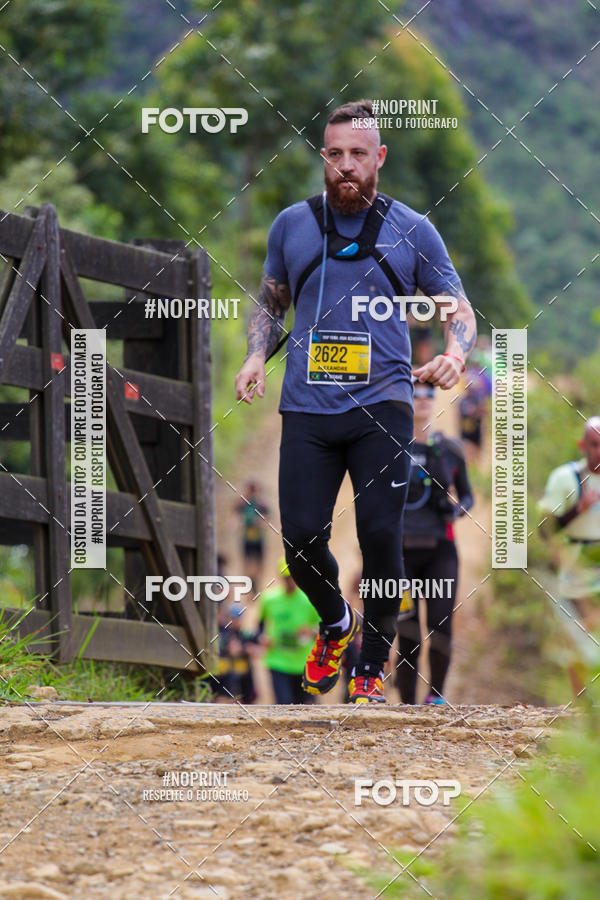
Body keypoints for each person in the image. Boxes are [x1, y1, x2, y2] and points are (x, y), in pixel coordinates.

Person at [234, 99, 476, 704]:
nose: (346, 165)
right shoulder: (292, 225)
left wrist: (456, 352)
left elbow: (457, 304)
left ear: (379, 158)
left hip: (383, 406)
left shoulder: (413, 229)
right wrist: (255, 355)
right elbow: (272, 300)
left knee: (380, 535)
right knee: (299, 538)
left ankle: (370, 666)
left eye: (359, 155)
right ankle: (337, 622)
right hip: (307, 408)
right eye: (336, 153)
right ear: (324, 156)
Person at [395, 381, 473, 705]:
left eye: (430, 393)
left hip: (441, 551)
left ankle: (436, 698)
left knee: (441, 627)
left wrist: (456, 511)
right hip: (401, 554)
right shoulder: (391, 444)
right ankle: (407, 706)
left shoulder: (448, 448)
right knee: (407, 633)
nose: (424, 399)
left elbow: (467, 495)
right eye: (417, 392)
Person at [538, 417, 600, 693]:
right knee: (577, 641)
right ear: (582, 445)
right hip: (574, 571)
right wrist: (578, 509)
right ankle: (582, 704)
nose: (599, 451)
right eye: (594, 444)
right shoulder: (566, 478)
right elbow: (545, 529)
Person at [256, 558, 320, 704]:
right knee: (284, 704)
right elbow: (260, 626)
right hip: (278, 661)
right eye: (286, 577)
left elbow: (323, 627)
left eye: (293, 577)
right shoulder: (269, 599)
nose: (290, 581)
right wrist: (262, 638)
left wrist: (311, 631)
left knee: (305, 706)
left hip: (304, 662)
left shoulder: (309, 599)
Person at [235, 481, 269, 593]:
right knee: (248, 565)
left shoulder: (261, 503)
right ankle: (251, 585)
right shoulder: (243, 503)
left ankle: (256, 585)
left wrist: (261, 522)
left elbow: (267, 517)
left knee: (259, 565)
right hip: (248, 538)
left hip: (258, 538)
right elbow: (236, 515)